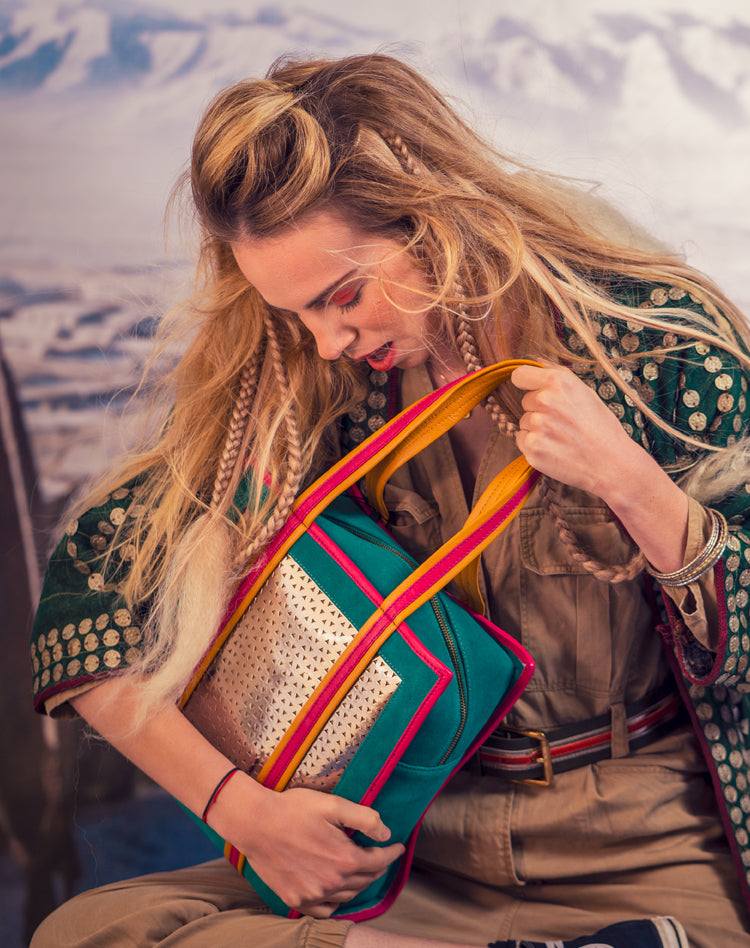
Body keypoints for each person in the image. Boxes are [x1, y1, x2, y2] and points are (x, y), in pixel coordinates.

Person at [29, 53, 750, 948]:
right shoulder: (300, 384)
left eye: (344, 296)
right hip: (410, 851)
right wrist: (240, 809)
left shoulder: (655, 347)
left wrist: (633, 484)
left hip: (648, 846)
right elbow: (83, 602)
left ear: (431, 217)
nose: (328, 341)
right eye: (297, 315)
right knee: (87, 930)